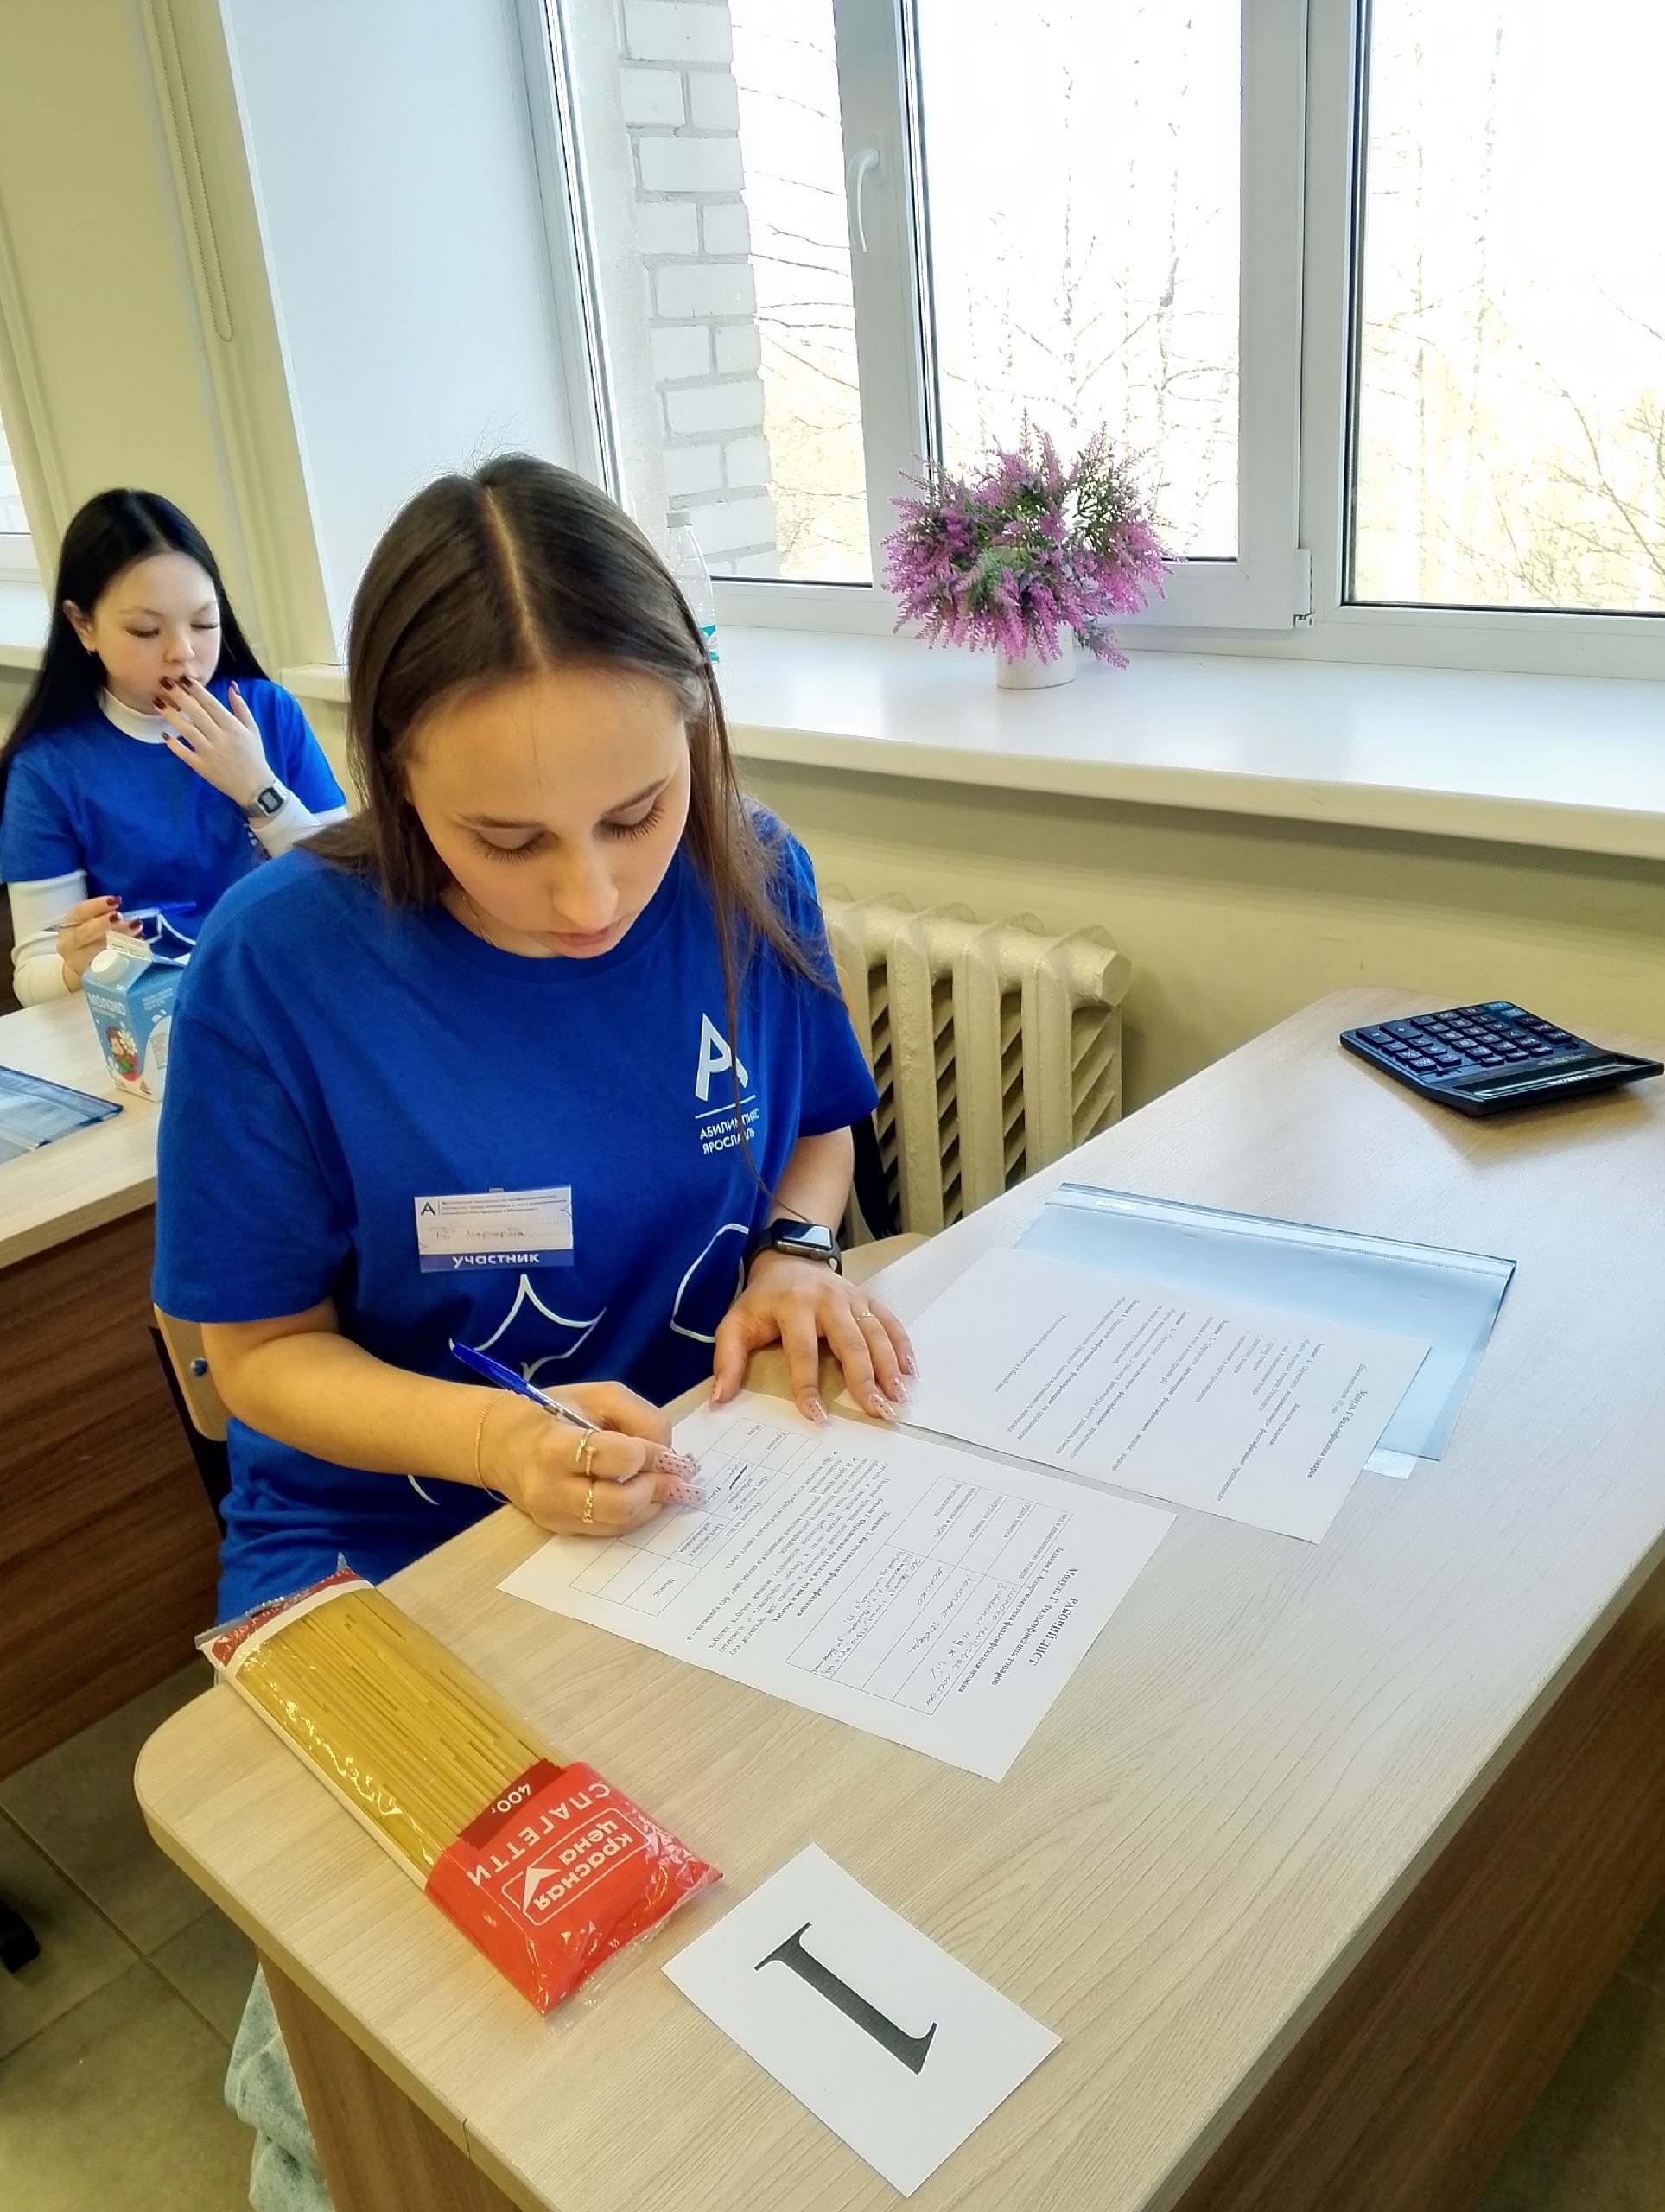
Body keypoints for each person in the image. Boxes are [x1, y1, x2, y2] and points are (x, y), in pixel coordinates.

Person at [153, 454, 912, 1625]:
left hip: (705, 1471)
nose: (591, 899)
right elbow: (256, 1354)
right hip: (388, 1534)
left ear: (694, 726)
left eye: (636, 813)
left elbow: (817, 1124)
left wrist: (797, 1252)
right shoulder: (274, 966)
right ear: (396, 776)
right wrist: (497, 1438)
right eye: (508, 841)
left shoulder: (749, 869)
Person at [0, 488, 346, 1004]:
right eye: (145, 630)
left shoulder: (268, 712)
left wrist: (260, 791)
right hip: (154, 1017)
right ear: (83, 626)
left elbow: (353, 896)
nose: (183, 653)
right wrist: (75, 967)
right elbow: (33, 980)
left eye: (205, 623)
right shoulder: (49, 769)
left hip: (283, 992)